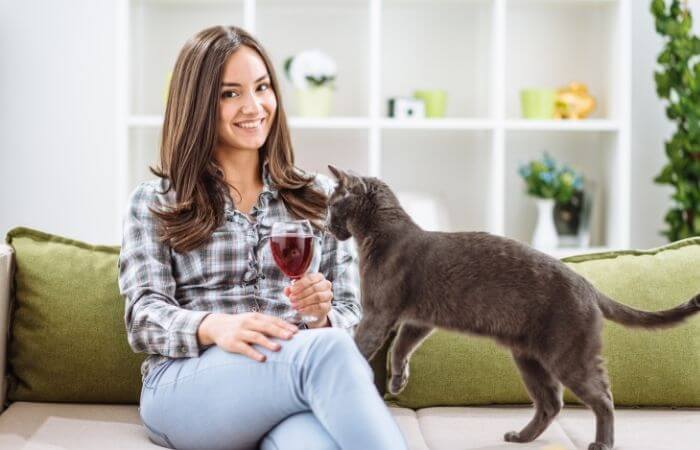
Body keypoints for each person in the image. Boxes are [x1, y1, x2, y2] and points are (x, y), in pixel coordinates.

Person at [118, 25, 407, 450]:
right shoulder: (156, 202)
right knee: (326, 351)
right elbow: (142, 317)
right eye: (229, 93)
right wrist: (215, 326)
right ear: (197, 105)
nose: (254, 107)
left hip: (290, 378)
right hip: (188, 382)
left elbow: (350, 314)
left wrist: (320, 316)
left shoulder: (319, 200)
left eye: (262, 87)